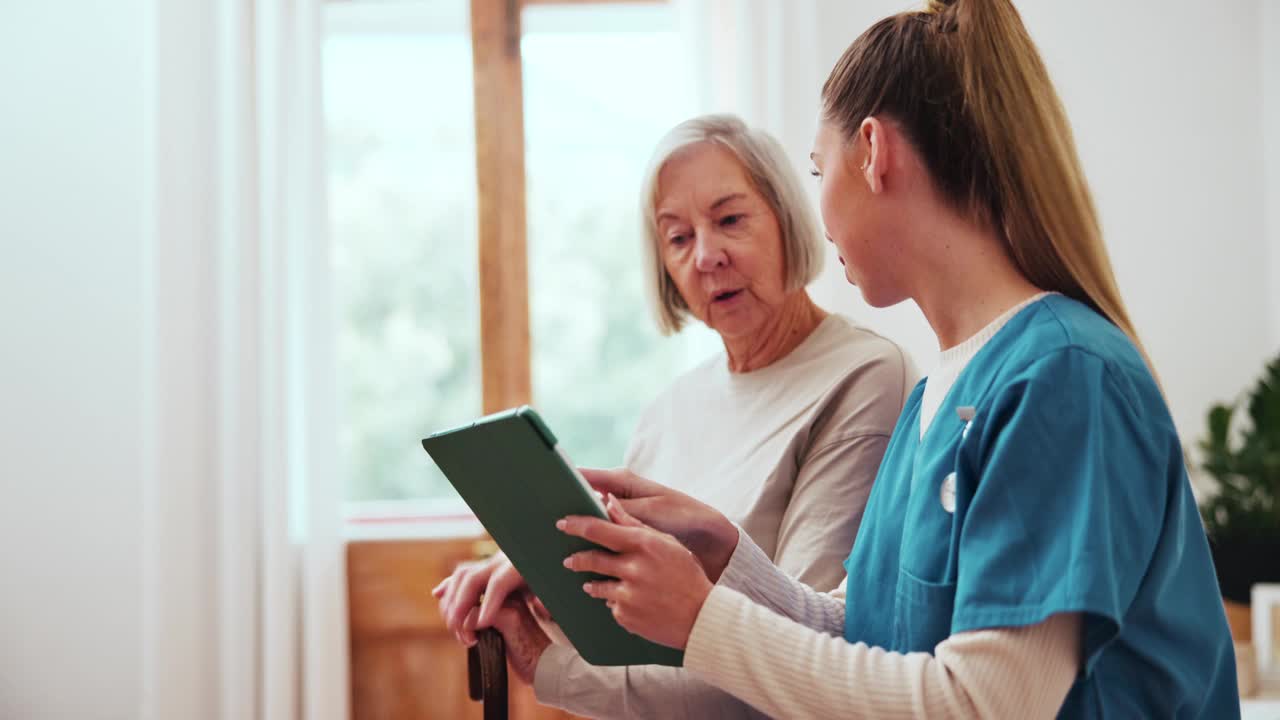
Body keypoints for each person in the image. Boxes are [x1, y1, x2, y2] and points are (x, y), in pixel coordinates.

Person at [489, 1, 1241, 717]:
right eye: (678, 236)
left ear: (874, 152)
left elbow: (986, 704)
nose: (816, 207)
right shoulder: (938, 392)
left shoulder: (1065, 376)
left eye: (819, 171)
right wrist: (726, 555)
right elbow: (860, 632)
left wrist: (701, 619)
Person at [434, 115, 917, 717]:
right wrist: (539, 585)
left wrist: (552, 669)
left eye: (731, 220)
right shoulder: (670, 408)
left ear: (788, 220)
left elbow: (805, 661)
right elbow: (630, 638)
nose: (707, 256)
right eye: (678, 238)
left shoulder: (867, 376)